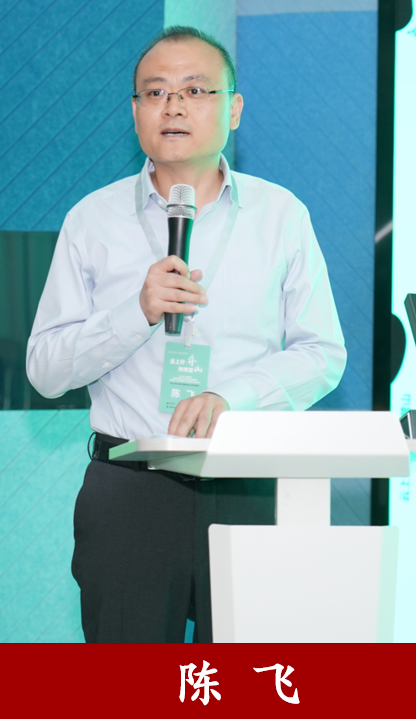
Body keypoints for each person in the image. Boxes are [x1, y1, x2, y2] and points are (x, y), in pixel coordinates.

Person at [26, 26, 347, 643]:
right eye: (156, 92)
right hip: (131, 493)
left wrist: (234, 398)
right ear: (135, 112)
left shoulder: (282, 215)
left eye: (195, 90)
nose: (173, 105)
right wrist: (136, 312)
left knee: (246, 681)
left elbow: (322, 353)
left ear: (234, 108)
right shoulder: (91, 220)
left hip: (250, 484)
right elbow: (45, 369)